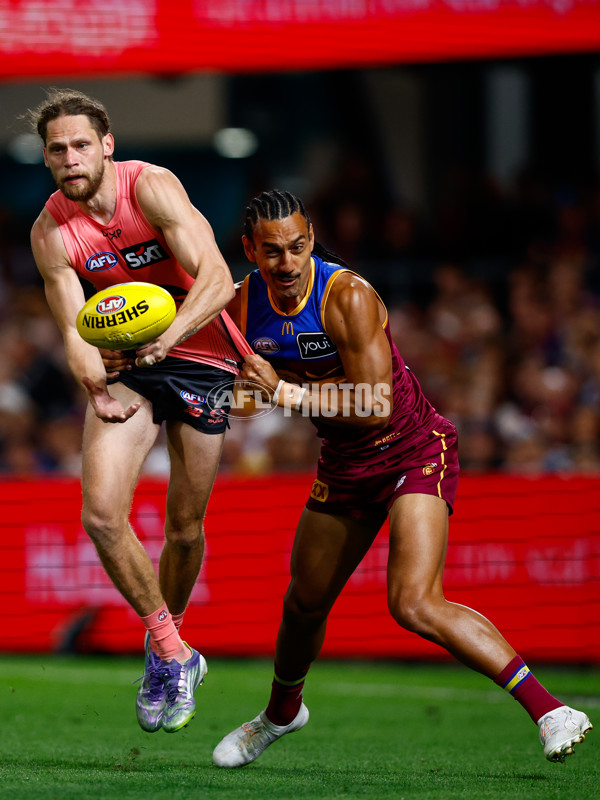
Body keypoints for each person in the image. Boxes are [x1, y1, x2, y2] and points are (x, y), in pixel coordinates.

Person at [212, 189, 593, 766]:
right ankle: (281, 714)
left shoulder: (348, 296)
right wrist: (221, 387)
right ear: (250, 251)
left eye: (297, 246)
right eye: (272, 251)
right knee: (303, 604)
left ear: (311, 240)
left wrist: (283, 392)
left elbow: (375, 404)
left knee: (413, 602)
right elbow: (241, 401)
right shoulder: (241, 306)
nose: (287, 262)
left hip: (412, 449)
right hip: (343, 465)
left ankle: (551, 710)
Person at [28, 88, 250, 734]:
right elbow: (74, 325)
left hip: (200, 346)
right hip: (128, 360)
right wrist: (94, 386)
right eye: (57, 149)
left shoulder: (150, 187)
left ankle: (167, 645)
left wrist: (169, 336)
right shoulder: (50, 230)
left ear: (107, 145)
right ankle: (172, 651)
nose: (70, 157)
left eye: (80, 144)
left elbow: (216, 277)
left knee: (184, 526)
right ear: (46, 158)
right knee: (100, 515)